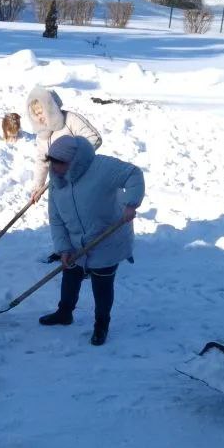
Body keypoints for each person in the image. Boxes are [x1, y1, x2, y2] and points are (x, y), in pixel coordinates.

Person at [39, 136, 144, 346]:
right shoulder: (57, 181)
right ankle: (64, 313)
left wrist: (131, 203)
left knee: (102, 285)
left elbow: (133, 174)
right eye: (52, 162)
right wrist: (63, 248)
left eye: (60, 163)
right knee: (70, 275)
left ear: (74, 161)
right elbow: (56, 218)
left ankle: (101, 325)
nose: (55, 168)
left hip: (108, 239)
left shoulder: (102, 167)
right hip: (76, 242)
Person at [26, 86, 101, 204]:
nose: (39, 117)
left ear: (50, 108)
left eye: (41, 112)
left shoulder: (70, 119)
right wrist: (37, 187)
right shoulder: (42, 135)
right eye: (36, 114)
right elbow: (42, 161)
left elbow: (94, 137)